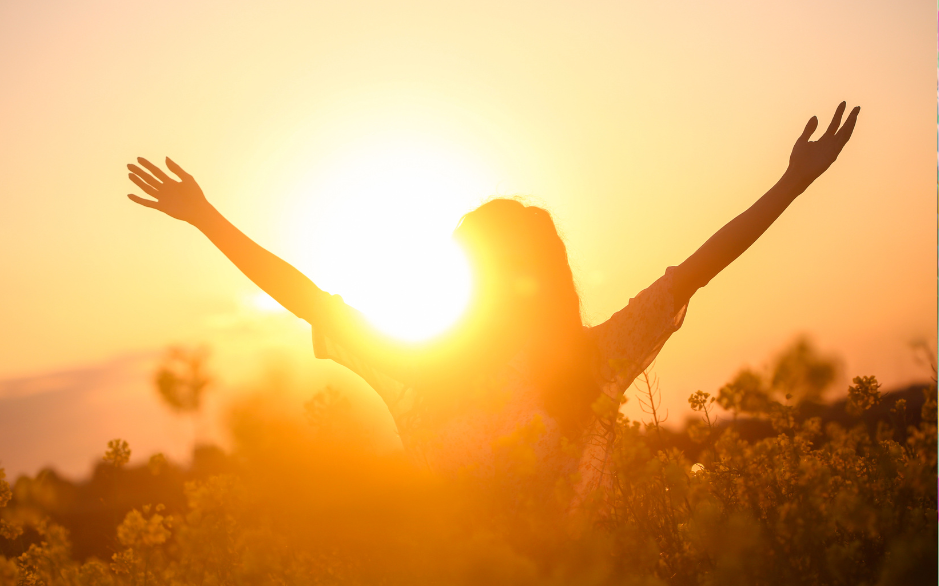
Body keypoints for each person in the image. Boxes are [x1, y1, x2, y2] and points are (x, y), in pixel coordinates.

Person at [126, 102, 859, 501]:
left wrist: (791, 184)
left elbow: (697, 268)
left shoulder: (590, 362)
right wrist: (207, 218)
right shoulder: (426, 370)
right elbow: (309, 299)